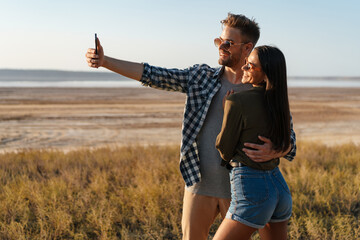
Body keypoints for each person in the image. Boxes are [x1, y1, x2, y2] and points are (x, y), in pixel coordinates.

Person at [85, 13, 296, 240]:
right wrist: (106, 62)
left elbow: (290, 140)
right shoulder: (200, 77)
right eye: (219, 41)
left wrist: (277, 149)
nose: (221, 47)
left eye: (228, 43)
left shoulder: (263, 91)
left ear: (247, 48)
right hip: (199, 184)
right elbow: (154, 75)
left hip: (242, 190)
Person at [214, 46, 293, 240]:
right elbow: (288, 139)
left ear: (266, 74)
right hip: (279, 188)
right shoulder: (280, 103)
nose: (244, 68)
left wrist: (227, 114)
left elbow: (224, 148)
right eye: (246, 63)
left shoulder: (237, 101)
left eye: (250, 66)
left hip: (251, 188)